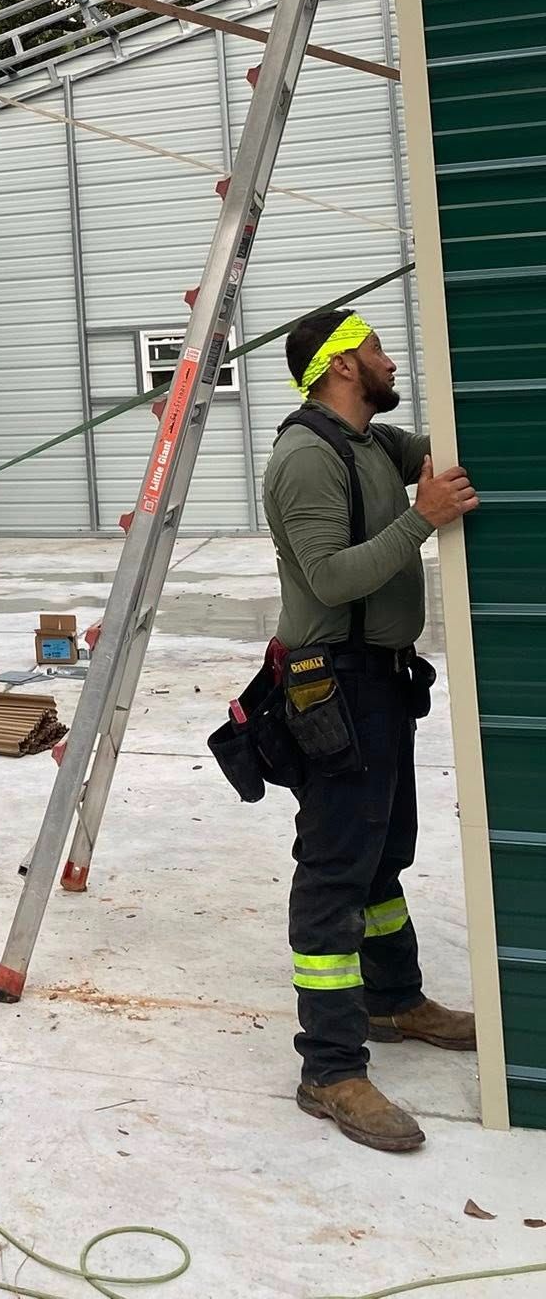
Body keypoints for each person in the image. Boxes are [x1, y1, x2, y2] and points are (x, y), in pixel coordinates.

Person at [263, 308, 479, 1155]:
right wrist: (423, 518)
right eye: (379, 349)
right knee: (334, 871)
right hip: (334, 687)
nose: (392, 362)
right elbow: (329, 577)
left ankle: (395, 1000)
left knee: (383, 854)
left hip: (382, 681)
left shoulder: (373, 443)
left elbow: (445, 450)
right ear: (344, 365)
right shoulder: (307, 456)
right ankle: (330, 1068)